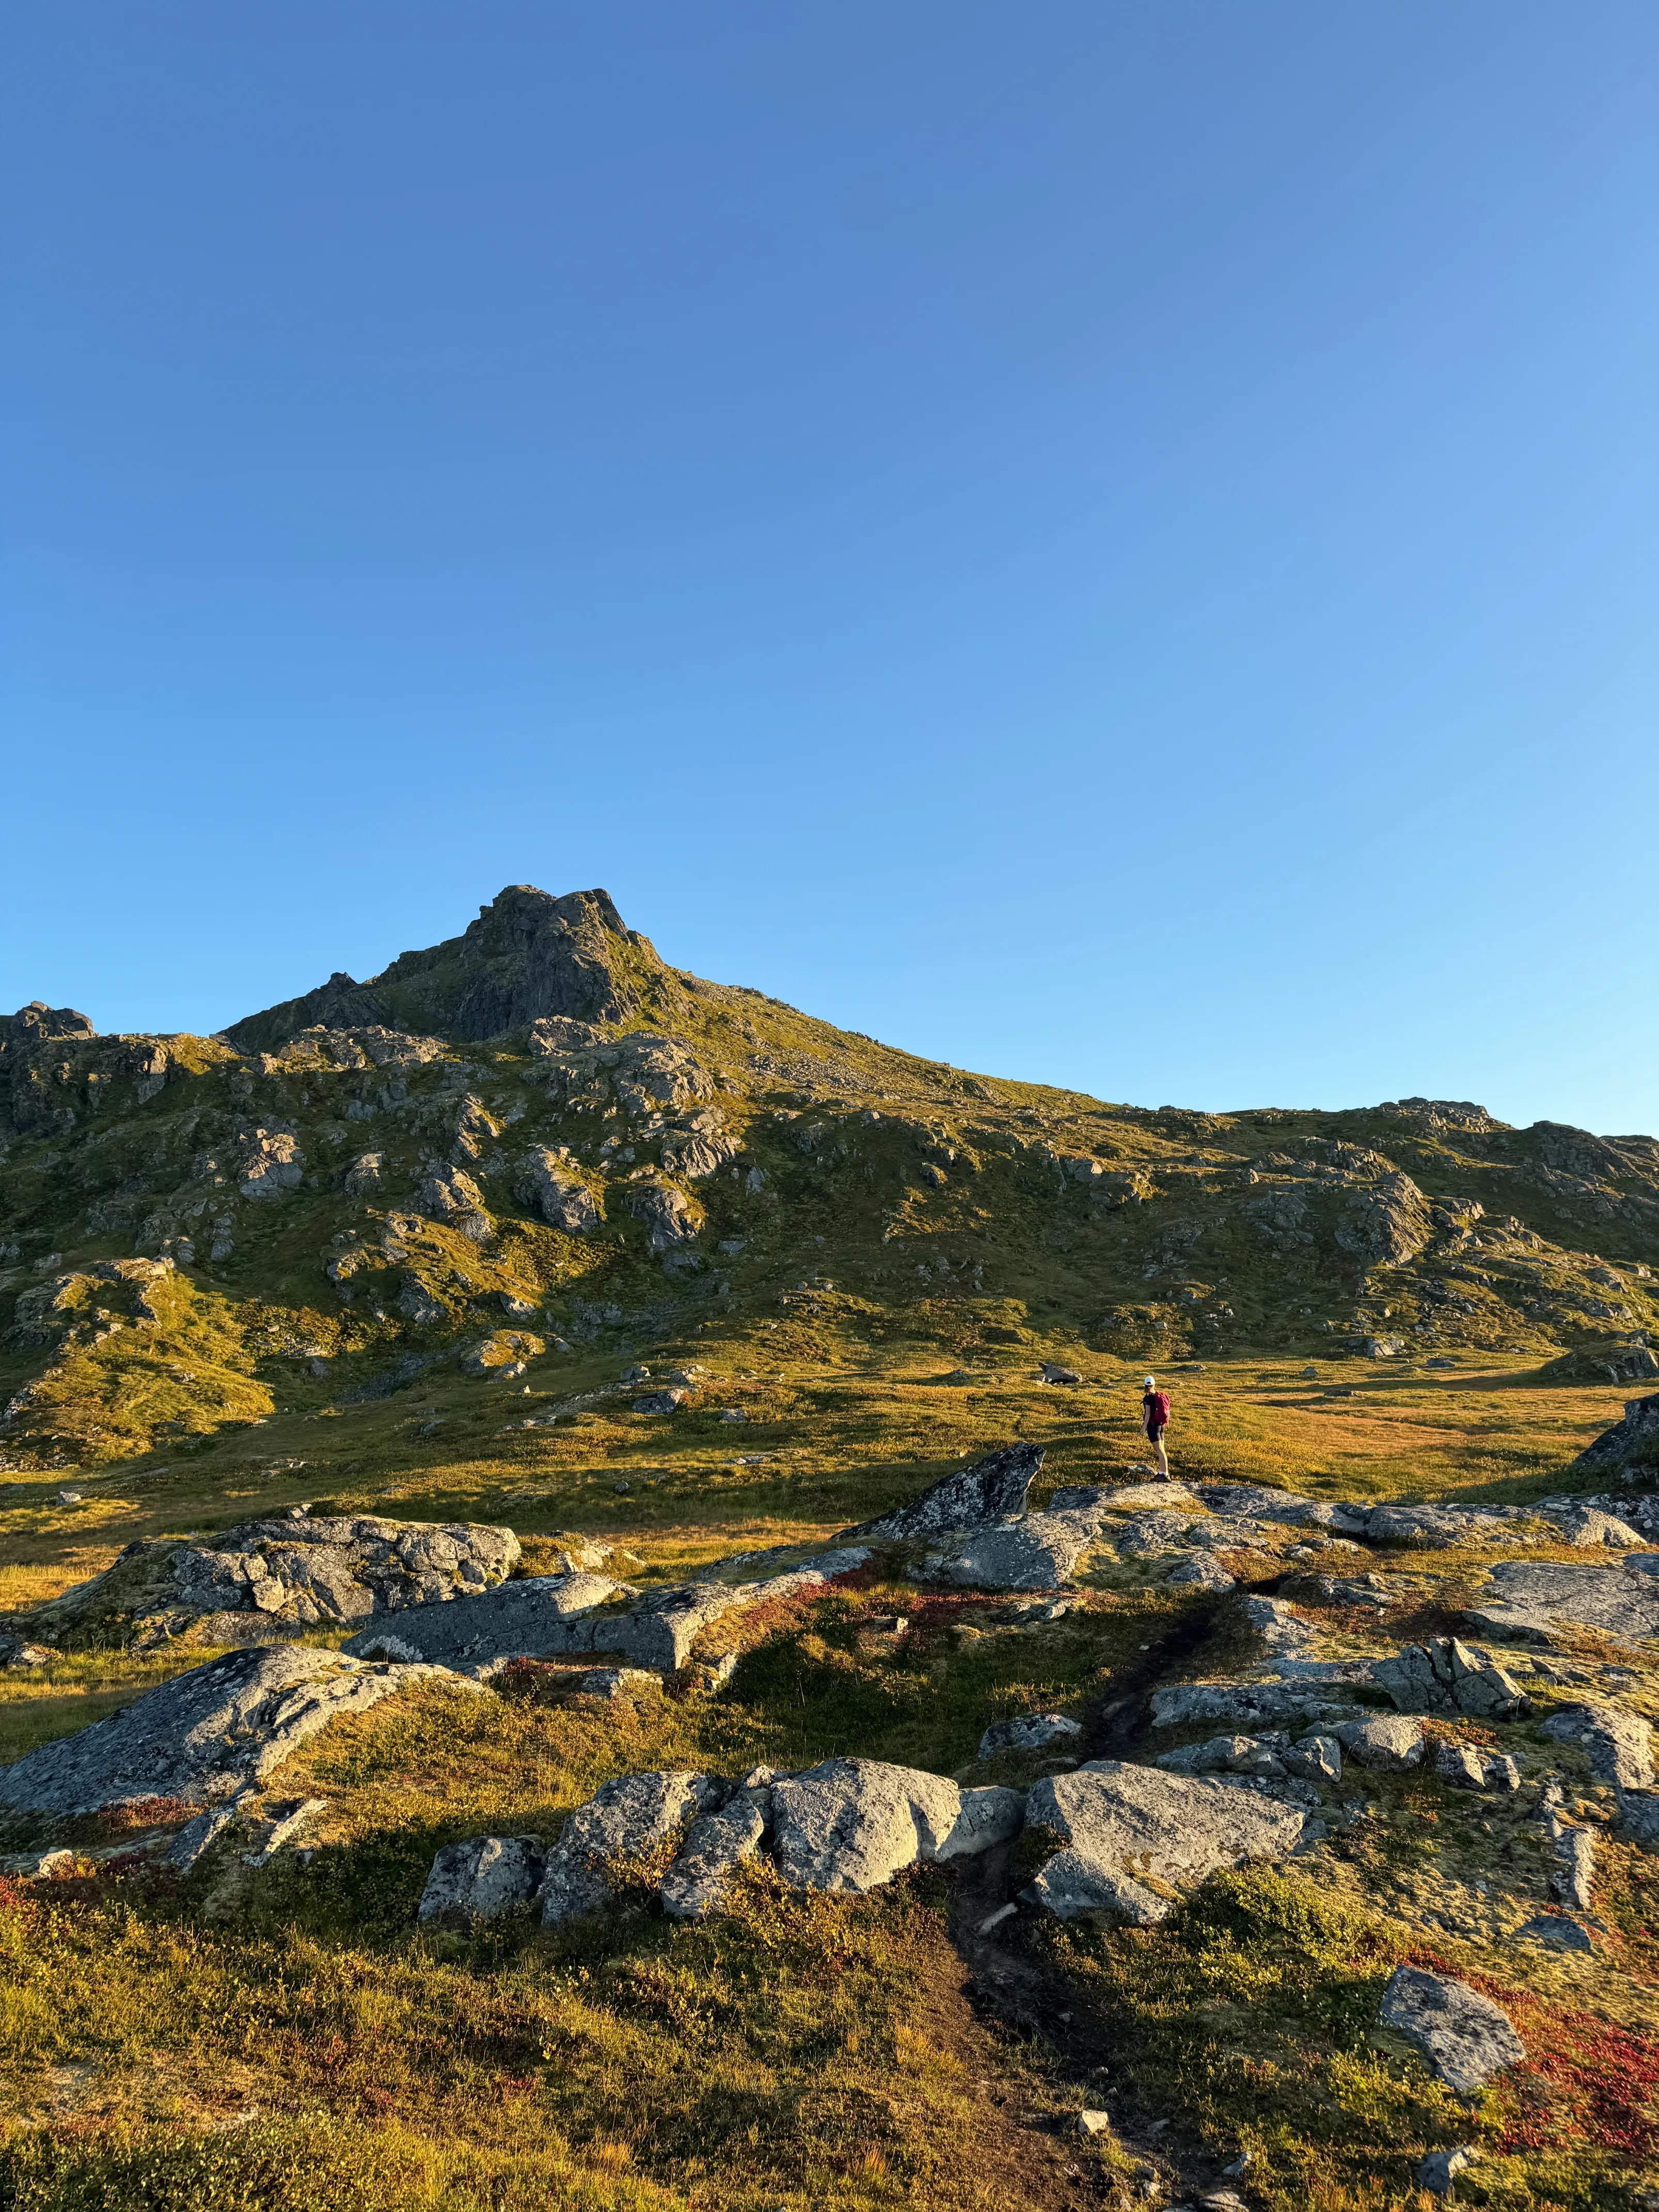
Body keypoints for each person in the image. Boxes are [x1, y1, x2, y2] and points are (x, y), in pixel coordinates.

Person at [1142, 1373, 1172, 1479]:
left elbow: (1148, 1414)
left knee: (1159, 1450)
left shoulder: (1148, 1398)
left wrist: (1144, 1427)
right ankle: (1162, 1472)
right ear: (1154, 1385)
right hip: (1161, 1426)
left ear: (1145, 1386)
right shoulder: (1159, 1396)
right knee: (1162, 1450)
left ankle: (1165, 1474)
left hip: (1153, 1426)